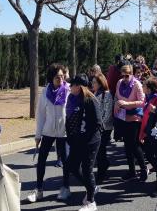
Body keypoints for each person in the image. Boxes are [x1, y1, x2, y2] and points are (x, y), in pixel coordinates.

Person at [28, 63, 70, 203]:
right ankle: (39, 190)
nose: (61, 79)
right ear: (51, 77)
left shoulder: (68, 90)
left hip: (64, 133)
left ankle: (66, 188)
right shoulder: (45, 93)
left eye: (62, 76)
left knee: (65, 161)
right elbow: (40, 115)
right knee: (41, 161)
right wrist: (38, 135)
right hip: (48, 131)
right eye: (57, 77)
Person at [65, 75, 103, 211]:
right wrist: (70, 137)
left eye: (72, 85)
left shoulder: (90, 100)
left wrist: (86, 138)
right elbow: (69, 120)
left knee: (87, 169)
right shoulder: (71, 99)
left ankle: (91, 202)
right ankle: (91, 188)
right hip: (77, 140)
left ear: (79, 87)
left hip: (90, 140)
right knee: (72, 166)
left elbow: (98, 123)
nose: (70, 87)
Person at [114, 63, 148, 181]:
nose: (124, 78)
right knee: (127, 145)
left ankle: (144, 169)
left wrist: (127, 104)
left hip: (135, 117)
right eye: (122, 75)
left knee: (134, 145)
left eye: (127, 76)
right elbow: (117, 97)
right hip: (123, 116)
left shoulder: (137, 84)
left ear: (132, 74)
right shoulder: (119, 83)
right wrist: (118, 104)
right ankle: (132, 171)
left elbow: (142, 101)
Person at [92, 73, 113, 184]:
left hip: (105, 127)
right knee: (100, 150)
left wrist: (100, 125)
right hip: (96, 127)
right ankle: (104, 165)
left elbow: (108, 112)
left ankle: (101, 172)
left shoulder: (107, 94)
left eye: (94, 82)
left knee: (100, 149)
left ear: (100, 83)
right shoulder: (94, 93)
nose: (92, 84)